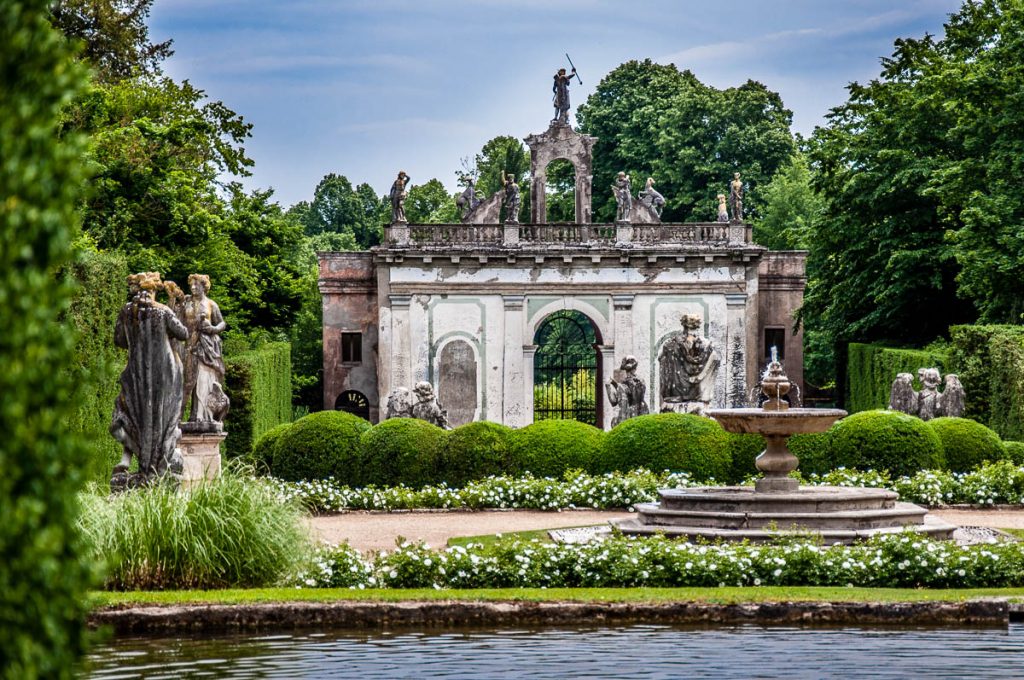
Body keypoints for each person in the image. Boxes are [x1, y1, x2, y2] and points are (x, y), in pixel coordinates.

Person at [109, 272, 189, 490]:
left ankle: (129, 461)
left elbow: (119, 340)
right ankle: (160, 463)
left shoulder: (126, 311)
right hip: (164, 373)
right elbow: (183, 334)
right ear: (155, 290)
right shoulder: (163, 311)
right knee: (164, 416)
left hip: (135, 372)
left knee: (131, 412)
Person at [182, 274, 227, 424]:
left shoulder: (211, 304)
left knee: (202, 380)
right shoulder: (186, 303)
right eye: (192, 285)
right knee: (187, 383)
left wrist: (213, 329)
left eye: (197, 285)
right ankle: (177, 416)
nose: (193, 287)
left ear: (204, 286)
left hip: (205, 347)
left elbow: (222, 323)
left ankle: (200, 415)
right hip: (188, 345)